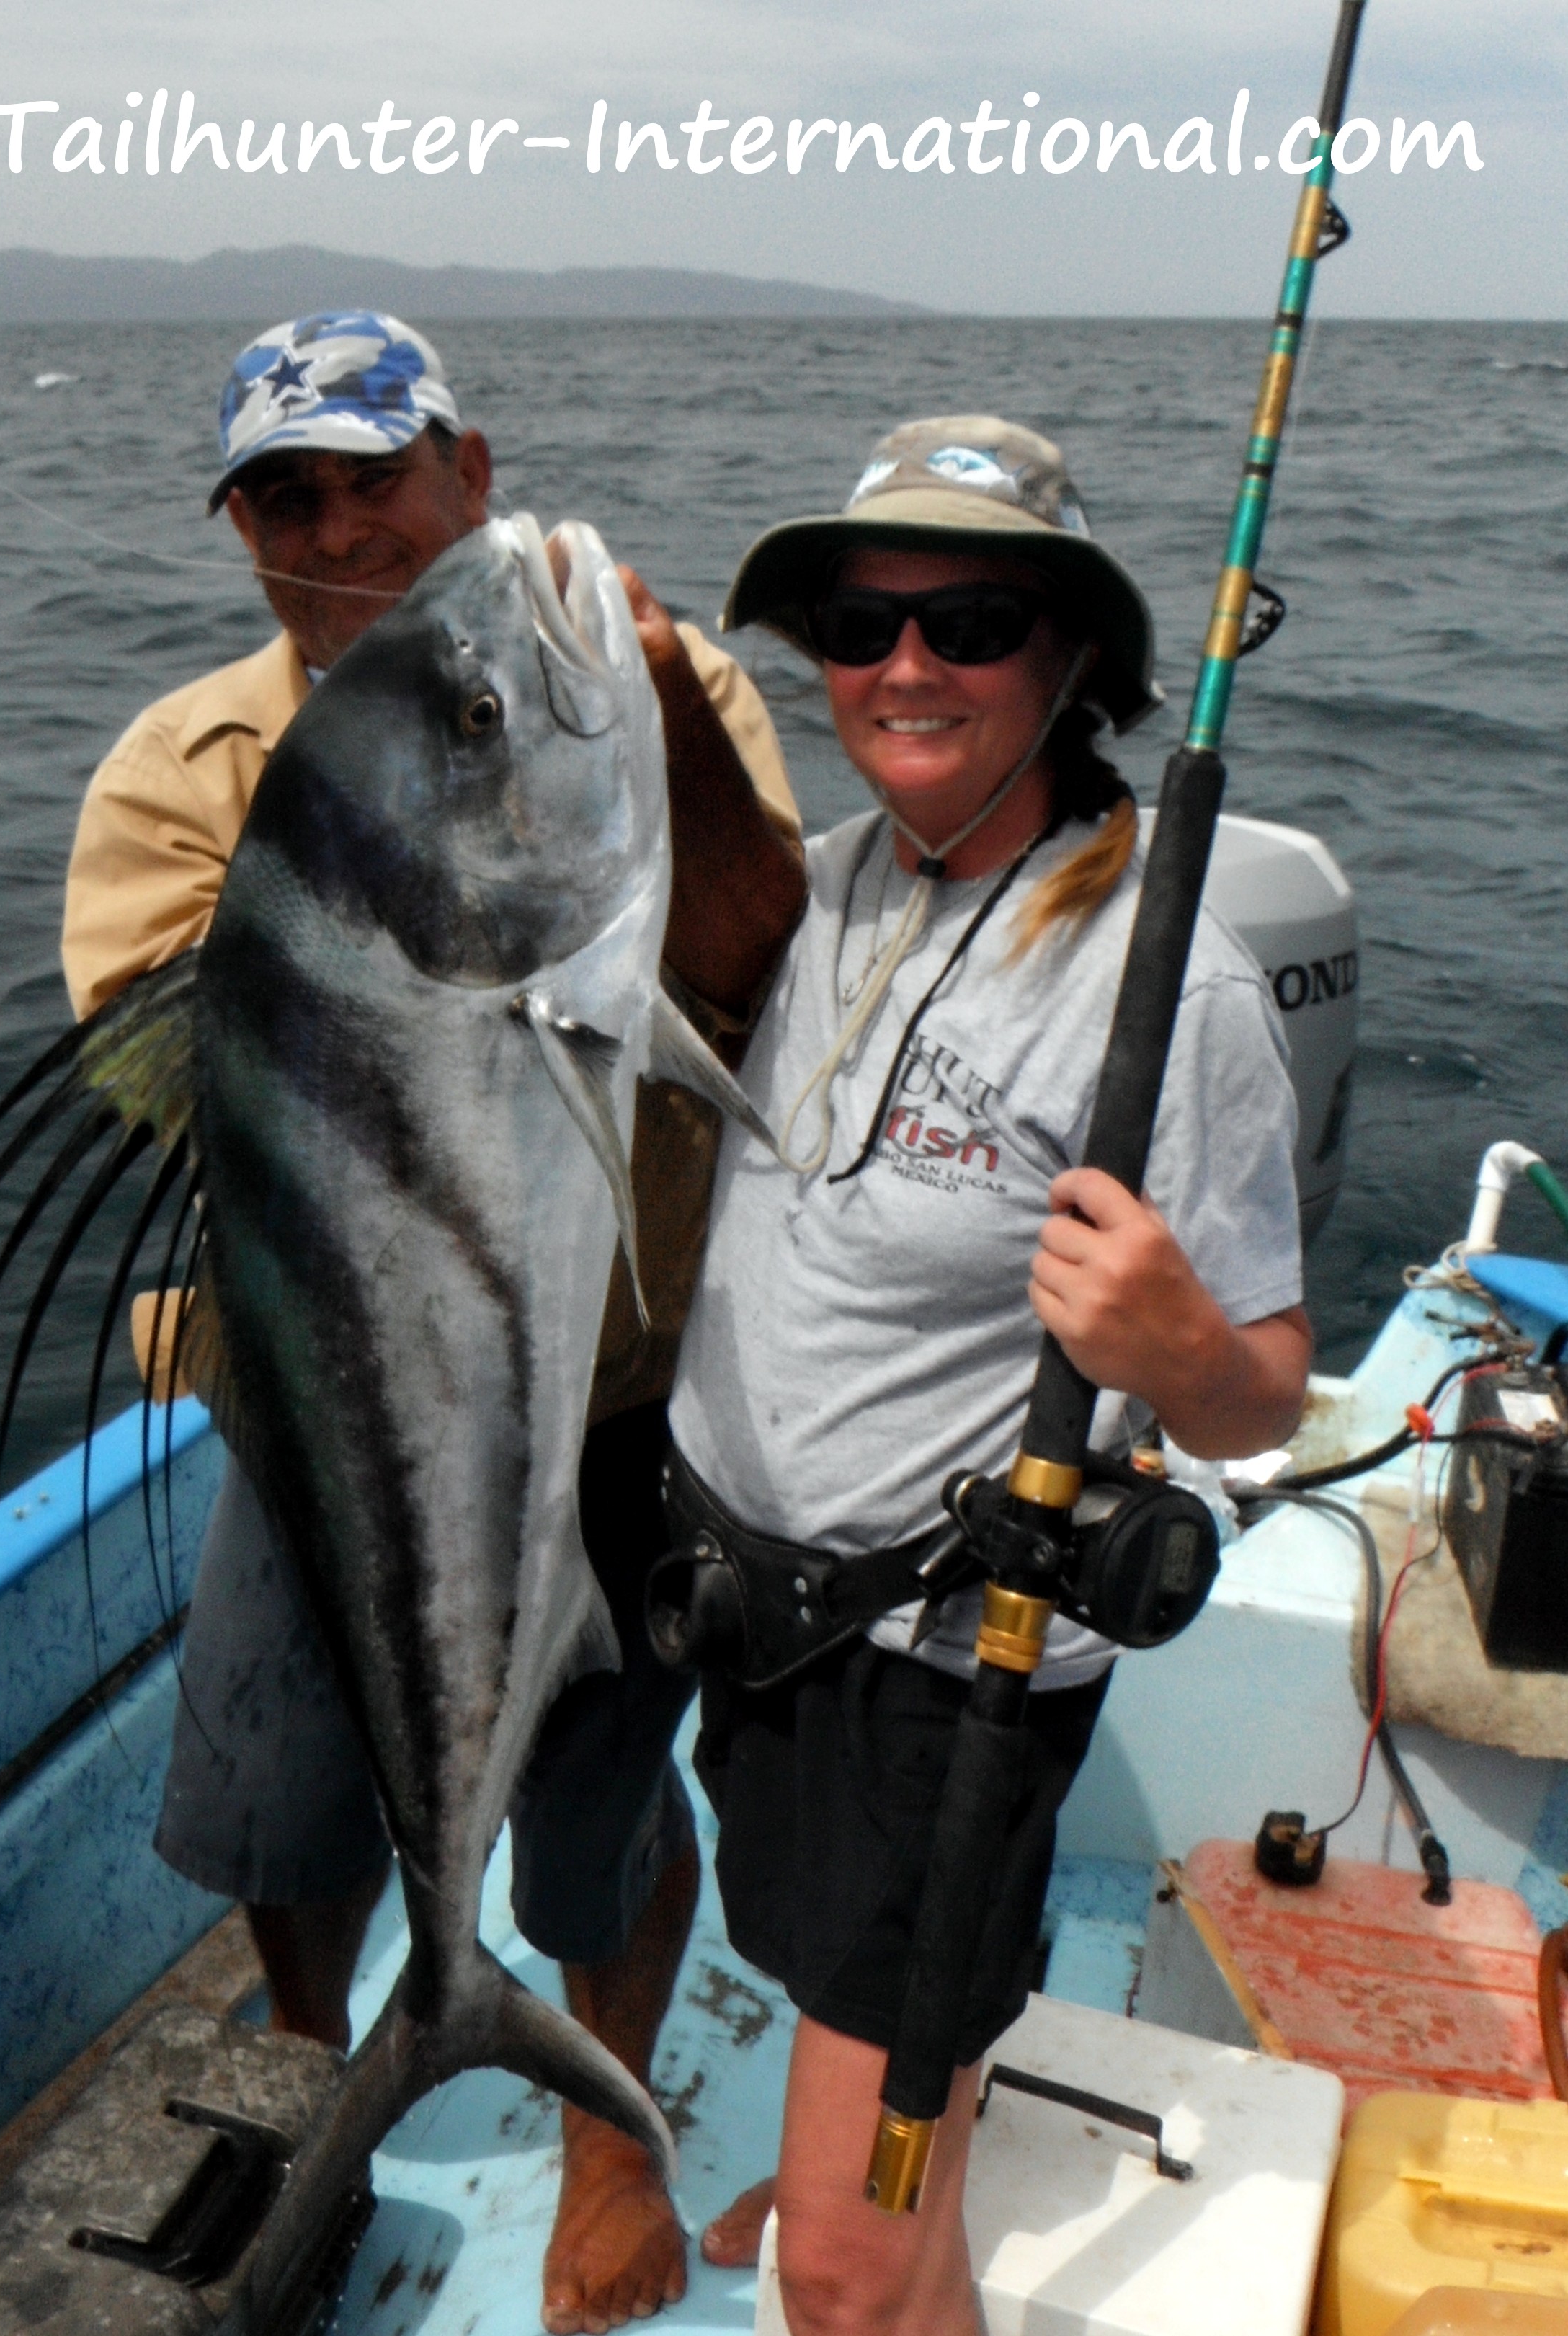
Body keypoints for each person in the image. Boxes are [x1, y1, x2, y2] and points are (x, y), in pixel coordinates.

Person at [61, 311, 807, 2335]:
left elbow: (762, 975)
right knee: (275, 1795)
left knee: (596, 1812)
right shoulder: (182, 771)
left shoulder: (640, 688)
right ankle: (324, 2074)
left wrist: (630, 721)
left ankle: (602, 2126)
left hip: (611, 1378)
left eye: (373, 478)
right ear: (240, 533)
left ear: (467, 474)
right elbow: (151, 1081)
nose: (334, 532)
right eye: (281, 500)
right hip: (326, 1396)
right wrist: (379, 939)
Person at [664, 417, 1312, 2333]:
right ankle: (875, 2140)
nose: (904, 664)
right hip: (755, 1615)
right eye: (858, 623)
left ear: (1070, 662)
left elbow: (1265, 1398)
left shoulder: (1170, 984)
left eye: (969, 621)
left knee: (847, 2279)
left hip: (944, 1667)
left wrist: (1181, 1348)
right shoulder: (829, 887)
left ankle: (866, 2213)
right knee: (827, 1992)